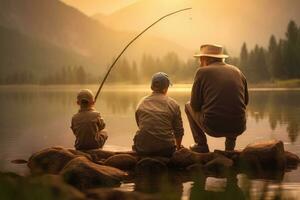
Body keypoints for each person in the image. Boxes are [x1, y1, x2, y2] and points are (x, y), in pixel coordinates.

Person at [185, 44, 248, 153]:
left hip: (213, 127)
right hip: (239, 126)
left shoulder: (202, 72)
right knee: (234, 108)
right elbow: (245, 102)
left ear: (204, 59)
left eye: (200, 59)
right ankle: (229, 149)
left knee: (187, 105)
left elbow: (194, 105)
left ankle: (201, 144)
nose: (199, 62)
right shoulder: (238, 71)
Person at [132, 72, 184, 157]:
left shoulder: (141, 103)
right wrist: (178, 147)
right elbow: (179, 131)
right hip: (166, 150)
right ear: (165, 89)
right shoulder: (173, 104)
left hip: (142, 149)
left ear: (152, 87)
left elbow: (140, 125)